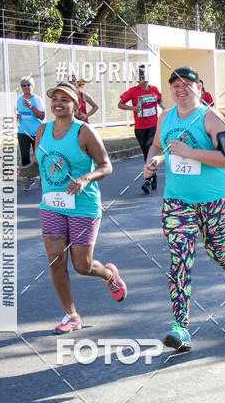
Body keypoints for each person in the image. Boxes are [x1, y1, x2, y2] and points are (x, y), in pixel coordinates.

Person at [144, 66, 225, 352]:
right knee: (180, 261)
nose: (180, 89)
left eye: (187, 84)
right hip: (177, 201)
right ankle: (181, 327)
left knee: (217, 252)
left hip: (214, 201)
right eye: (175, 85)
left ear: (199, 87)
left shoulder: (211, 119)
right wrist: (151, 161)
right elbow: (155, 147)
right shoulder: (165, 118)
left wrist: (190, 152)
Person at [19, 81, 126, 334]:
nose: (58, 103)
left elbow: (106, 165)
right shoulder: (42, 131)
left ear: (75, 105)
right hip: (52, 205)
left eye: (64, 99)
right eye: (54, 98)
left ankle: (109, 275)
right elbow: (37, 165)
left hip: (83, 205)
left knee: (82, 266)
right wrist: (20, 171)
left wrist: (85, 178)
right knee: (56, 261)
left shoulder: (84, 132)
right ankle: (72, 315)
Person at [118, 65, 164, 194]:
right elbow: (120, 104)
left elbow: (160, 99)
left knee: (150, 151)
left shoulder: (154, 89)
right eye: (141, 78)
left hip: (153, 126)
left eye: (145, 77)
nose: (144, 80)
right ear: (138, 80)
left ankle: (148, 181)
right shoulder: (133, 91)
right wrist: (133, 109)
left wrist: (163, 107)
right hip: (140, 128)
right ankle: (153, 178)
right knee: (146, 154)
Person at [17, 77, 45, 191]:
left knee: (38, 156)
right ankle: (30, 178)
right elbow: (16, 113)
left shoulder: (37, 99)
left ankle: (43, 178)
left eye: (28, 85)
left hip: (36, 132)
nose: (26, 87)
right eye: (24, 85)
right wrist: (16, 116)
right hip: (23, 131)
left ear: (32, 87)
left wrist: (31, 106)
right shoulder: (18, 99)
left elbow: (42, 116)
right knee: (24, 156)